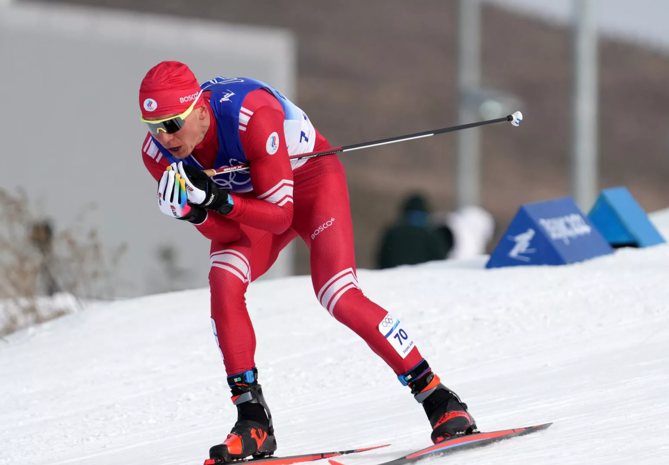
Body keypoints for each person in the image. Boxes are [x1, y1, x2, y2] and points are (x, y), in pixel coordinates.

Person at [138, 62, 476, 463]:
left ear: (198, 109)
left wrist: (217, 200)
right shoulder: (157, 154)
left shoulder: (251, 116)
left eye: (171, 124)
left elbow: (281, 214)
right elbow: (226, 234)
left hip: (310, 180)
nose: (164, 137)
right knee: (224, 281)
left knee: (338, 294)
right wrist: (195, 213)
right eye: (152, 125)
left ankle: (437, 396)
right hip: (250, 206)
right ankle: (253, 420)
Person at [376, 192, 448, 269]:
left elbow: (382, 259)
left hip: (394, 277)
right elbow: (440, 262)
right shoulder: (431, 234)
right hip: (422, 278)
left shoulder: (393, 232)